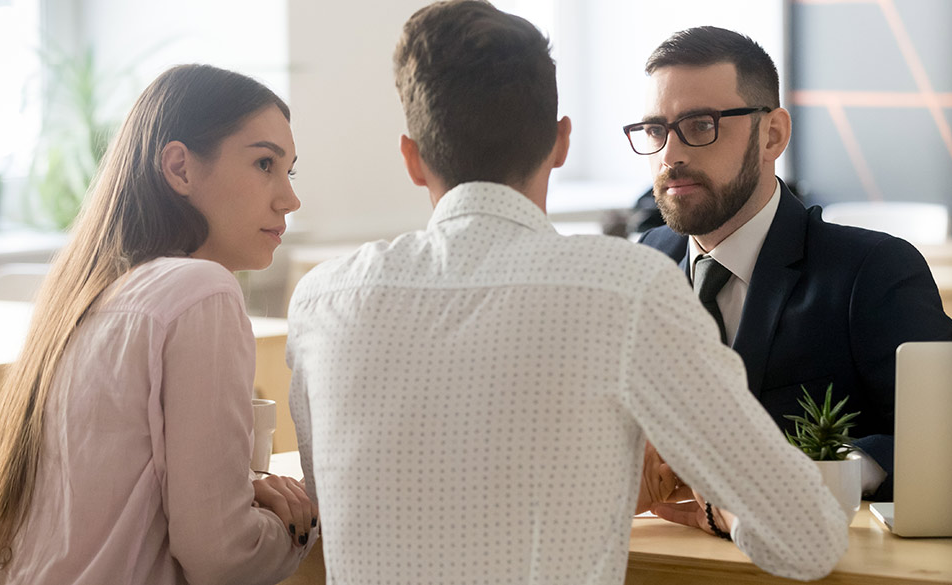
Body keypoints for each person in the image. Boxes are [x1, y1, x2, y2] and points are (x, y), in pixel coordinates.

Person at [286, 2, 846, 583]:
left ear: (411, 158)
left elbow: (331, 510)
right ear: (560, 143)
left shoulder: (320, 302)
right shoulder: (626, 291)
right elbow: (809, 537)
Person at [0, 64, 317, 585]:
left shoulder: (85, 293)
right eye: (265, 163)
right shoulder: (202, 291)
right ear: (180, 168)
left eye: (290, 172)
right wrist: (306, 517)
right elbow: (223, 557)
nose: (289, 198)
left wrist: (239, 493)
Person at [630, 26, 952, 504]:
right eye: (656, 130)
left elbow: (948, 439)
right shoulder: (643, 264)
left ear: (773, 135)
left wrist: (824, 476)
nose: (670, 155)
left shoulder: (874, 272)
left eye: (702, 125)